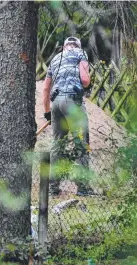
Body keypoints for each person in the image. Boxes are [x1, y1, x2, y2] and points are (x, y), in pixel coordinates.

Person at [43, 36, 93, 196]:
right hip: (72, 102)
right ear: (77, 46)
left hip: (56, 104)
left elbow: (45, 89)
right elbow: (85, 80)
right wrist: (88, 79)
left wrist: (47, 113)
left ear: (64, 47)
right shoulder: (80, 53)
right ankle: (84, 188)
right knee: (81, 145)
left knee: (58, 146)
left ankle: (53, 188)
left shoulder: (55, 59)